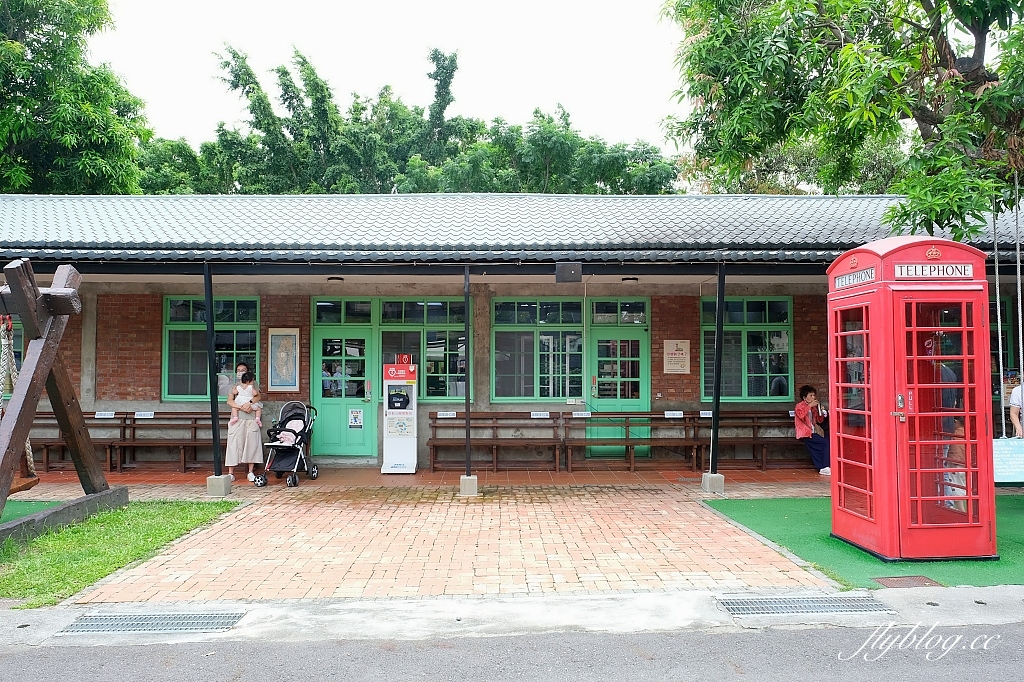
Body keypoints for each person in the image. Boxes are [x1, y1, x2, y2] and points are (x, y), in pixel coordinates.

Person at [225, 371, 263, 482]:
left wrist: (249, 403)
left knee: (252, 443)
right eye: (239, 370)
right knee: (234, 444)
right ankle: (231, 473)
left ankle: (250, 472)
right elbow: (229, 401)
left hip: (251, 418)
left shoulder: (254, 384)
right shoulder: (235, 386)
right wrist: (241, 407)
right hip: (238, 418)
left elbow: (258, 396)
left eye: (243, 370)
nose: (241, 372)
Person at [795, 384, 831, 475]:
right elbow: (801, 415)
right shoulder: (799, 406)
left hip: (812, 432)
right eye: (810, 395)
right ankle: (825, 466)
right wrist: (809, 406)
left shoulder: (813, 408)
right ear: (804, 397)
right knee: (825, 443)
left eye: (814, 395)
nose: (813, 397)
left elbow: (819, 420)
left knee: (819, 446)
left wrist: (821, 412)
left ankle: (822, 466)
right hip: (804, 433)